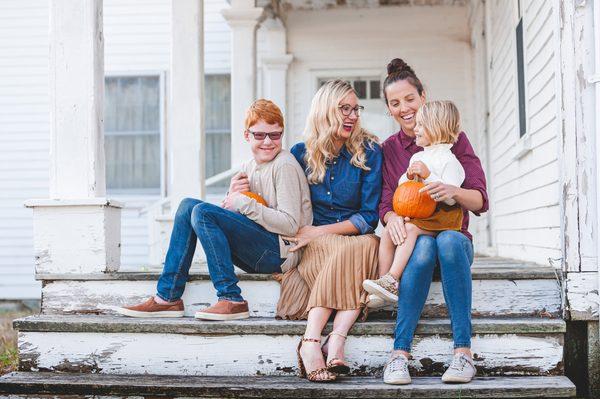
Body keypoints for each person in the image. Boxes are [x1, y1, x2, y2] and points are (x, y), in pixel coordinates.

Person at [116, 99, 312, 321]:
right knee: (187, 206)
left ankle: (231, 298)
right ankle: (168, 297)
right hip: (261, 247)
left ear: (281, 134)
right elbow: (236, 217)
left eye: (274, 135)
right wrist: (231, 197)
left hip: (282, 253)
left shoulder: (284, 165)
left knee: (202, 212)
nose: (268, 141)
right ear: (247, 135)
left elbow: (290, 224)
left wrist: (242, 203)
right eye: (259, 135)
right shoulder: (249, 167)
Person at [378, 59, 488, 385]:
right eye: (395, 103)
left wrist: (453, 190)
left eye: (409, 99)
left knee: (448, 241)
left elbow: (481, 200)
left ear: (423, 97)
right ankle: (399, 354)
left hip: (454, 241)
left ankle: (463, 353)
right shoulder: (390, 150)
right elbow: (386, 201)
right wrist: (392, 217)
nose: (404, 108)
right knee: (424, 245)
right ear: (389, 109)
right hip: (416, 244)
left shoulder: (456, 141)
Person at [275, 79, 382, 382]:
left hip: (354, 239)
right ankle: (333, 341)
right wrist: (239, 189)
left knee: (358, 246)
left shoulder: (369, 151)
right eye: (343, 109)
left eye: (355, 109)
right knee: (347, 253)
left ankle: (313, 340)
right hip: (317, 247)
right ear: (324, 112)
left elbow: (369, 217)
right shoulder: (298, 154)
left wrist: (319, 232)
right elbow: (274, 190)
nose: (352, 115)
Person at [363, 100, 465, 304]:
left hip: (442, 219)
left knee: (409, 230)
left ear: (436, 128)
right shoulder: (418, 156)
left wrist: (428, 176)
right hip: (421, 214)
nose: (414, 129)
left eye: (420, 125)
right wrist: (408, 176)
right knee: (389, 232)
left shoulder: (450, 161)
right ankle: (382, 284)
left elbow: (451, 199)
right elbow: (405, 186)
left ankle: (392, 279)